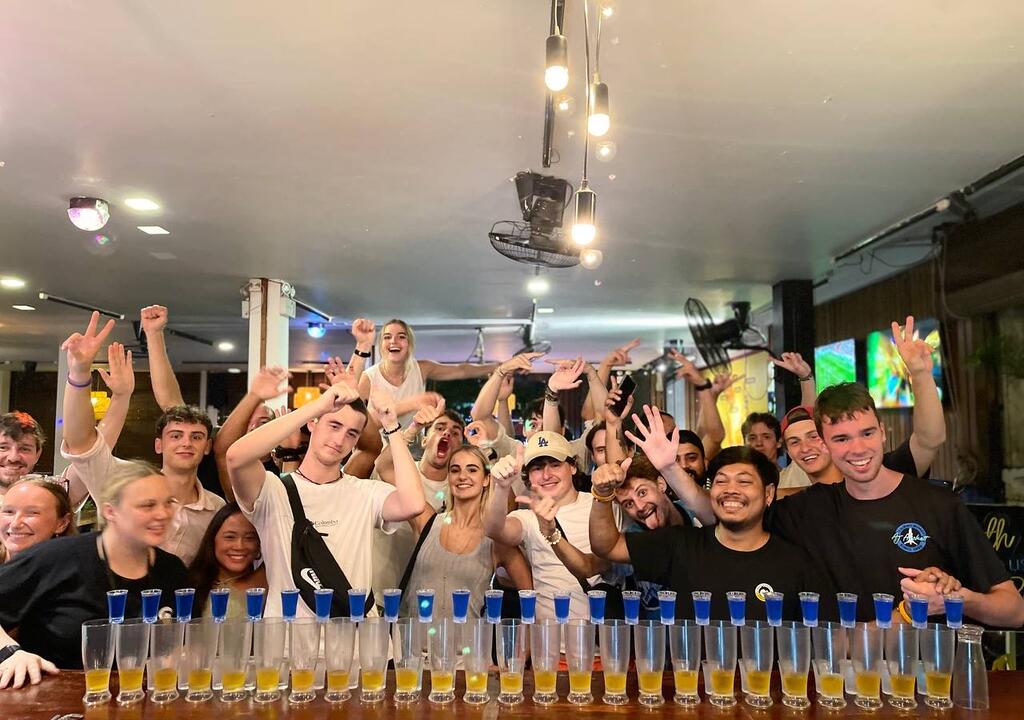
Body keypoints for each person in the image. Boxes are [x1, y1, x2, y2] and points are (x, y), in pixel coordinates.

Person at [226, 372, 425, 619]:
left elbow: (413, 503)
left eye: (352, 433)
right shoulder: (273, 490)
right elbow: (236, 457)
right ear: (313, 423)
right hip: (290, 637)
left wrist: (392, 427)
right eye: (334, 425)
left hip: (358, 634)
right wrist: (318, 406)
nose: (340, 439)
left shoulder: (365, 492)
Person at [590, 438, 832, 623]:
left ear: (768, 494)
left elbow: (824, 638)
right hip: (690, 675)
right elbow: (607, 546)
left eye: (744, 481)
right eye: (721, 481)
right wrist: (602, 494)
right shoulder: (679, 544)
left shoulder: (795, 563)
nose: (730, 489)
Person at [0, 462, 187, 686]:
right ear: (110, 511)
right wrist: (10, 652)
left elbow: (182, 642)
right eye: (147, 505)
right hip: (51, 696)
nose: (163, 514)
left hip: (138, 697)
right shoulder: (57, 558)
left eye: (169, 503)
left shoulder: (173, 570)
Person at [60, 312, 225, 564]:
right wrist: (80, 374)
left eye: (197, 437)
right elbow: (81, 443)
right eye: (176, 436)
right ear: (159, 444)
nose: (186, 443)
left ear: (207, 446)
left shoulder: (215, 508)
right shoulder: (124, 482)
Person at [777, 325, 947, 496]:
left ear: (882, 432)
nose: (858, 448)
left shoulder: (889, 470)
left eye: (867, 434)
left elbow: (930, 438)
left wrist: (920, 374)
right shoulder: (802, 501)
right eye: (841, 439)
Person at [483, 432, 621, 620]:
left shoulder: (601, 503)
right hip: (547, 632)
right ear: (528, 476)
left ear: (573, 466)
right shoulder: (529, 517)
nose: (546, 475)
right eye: (537, 468)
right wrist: (501, 486)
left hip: (600, 631)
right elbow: (493, 529)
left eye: (555, 464)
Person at [0, 340, 136, 510]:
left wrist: (121, 397)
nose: (13, 457)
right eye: (3, 447)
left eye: (24, 449)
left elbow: (90, 455)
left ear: (38, 454)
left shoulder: (50, 496)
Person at [399, 445, 503, 618]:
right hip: (415, 634)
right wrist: (408, 432)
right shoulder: (428, 521)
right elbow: (384, 466)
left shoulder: (495, 538)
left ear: (486, 479)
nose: (462, 476)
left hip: (468, 635)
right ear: (448, 477)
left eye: (472, 470)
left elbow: (529, 592)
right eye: (455, 470)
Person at [188, 503, 267, 619]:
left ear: (259, 545)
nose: (239, 546)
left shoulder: (269, 582)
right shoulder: (189, 586)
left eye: (250, 538)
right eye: (230, 537)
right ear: (212, 540)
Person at [0, 478, 77, 563]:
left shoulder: (75, 568)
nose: (15, 524)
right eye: (9, 512)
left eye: (32, 513)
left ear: (62, 523)